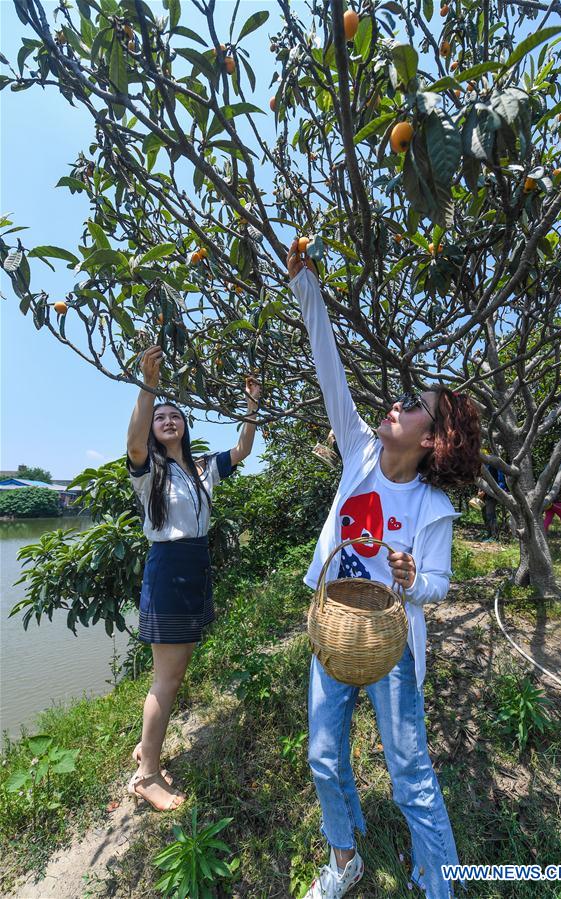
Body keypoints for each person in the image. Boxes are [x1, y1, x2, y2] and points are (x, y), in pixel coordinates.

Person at [287, 240, 481, 898]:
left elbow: (436, 586)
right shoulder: (360, 454)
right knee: (321, 753)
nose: (395, 404)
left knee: (409, 772)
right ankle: (344, 860)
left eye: (413, 405)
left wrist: (406, 577)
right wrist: (306, 287)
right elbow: (329, 371)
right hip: (334, 627)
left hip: (393, 644)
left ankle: (439, 884)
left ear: (432, 439)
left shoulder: (433, 507)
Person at [126, 345, 260, 810]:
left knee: (173, 673)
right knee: (167, 678)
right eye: (158, 415)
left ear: (184, 424)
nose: (166, 419)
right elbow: (134, 444)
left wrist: (252, 405)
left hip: (195, 569)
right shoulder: (149, 472)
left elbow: (242, 448)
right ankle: (146, 776)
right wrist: (148, 384)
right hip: (168, 571)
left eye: (173, 414)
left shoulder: (201, 469)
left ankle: (148, 747)